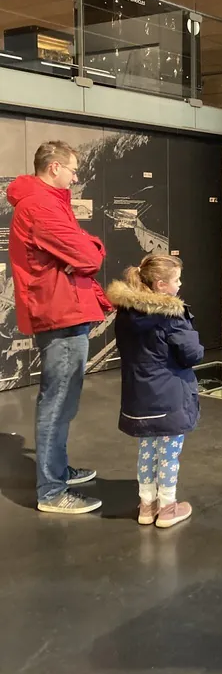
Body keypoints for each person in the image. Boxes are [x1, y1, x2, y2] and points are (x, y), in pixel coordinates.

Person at [7, 140, 111, 515]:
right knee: (57, 400)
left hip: (65, 309)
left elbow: (79, 254)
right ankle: (51, 491)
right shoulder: (40, 206)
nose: (76, 175)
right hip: (61, 312)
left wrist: (81, 254)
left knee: (64, 399)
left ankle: (57, 471)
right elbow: (87, 254)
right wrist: (92, 248)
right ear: (53, 168)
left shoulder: (45, 204)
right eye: (72, 169)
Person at [106, 255, 204, 528]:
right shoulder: (171, 315)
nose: (180, 284)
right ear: (161, 285)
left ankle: (146, 505)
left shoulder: (125, 312)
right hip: (170, 397)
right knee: (170, 453)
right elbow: (192, 354)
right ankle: (168, 506)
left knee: (147, 449)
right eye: (177, 280)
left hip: (139, 397)